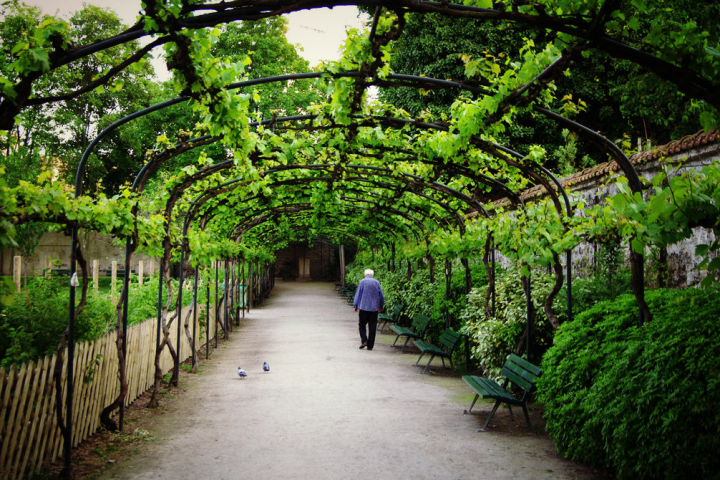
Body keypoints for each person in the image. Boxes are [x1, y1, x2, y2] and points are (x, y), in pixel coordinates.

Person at [353, 269, 384, 350]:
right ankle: (370, 346)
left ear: (365, 274)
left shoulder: (362, 282)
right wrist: (381, 306)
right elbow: (381, 296)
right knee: (372, 327)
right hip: (374, 309)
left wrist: (355, 305)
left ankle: (364, 340)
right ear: (372, 275)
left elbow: (358, 294)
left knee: (362, 325)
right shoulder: (376, 282)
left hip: (363, 308)